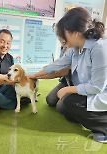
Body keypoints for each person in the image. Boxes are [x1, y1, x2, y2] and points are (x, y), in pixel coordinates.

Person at [29, 7, 107, 143]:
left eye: (64, 34)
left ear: (75, 33)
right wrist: (34, 75)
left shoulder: (99, 48)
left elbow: (97, 87)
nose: (62, 40)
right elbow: (57, 65)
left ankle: (103, 127)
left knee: (68, 101)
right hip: (82, 89)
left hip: (99, 93)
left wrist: (67, 90)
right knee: (62, 105)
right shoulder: (76, 48)